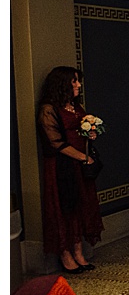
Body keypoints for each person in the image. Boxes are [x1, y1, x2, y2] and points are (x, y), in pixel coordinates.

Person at [37, 66, 102, 275]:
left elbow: (81, 127)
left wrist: (91, 133)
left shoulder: (75, 105)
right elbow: (55, 142)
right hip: (61, 166)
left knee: (81, 206)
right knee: (64, 207)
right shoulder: (49, 109)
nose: (78, 85)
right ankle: (65, 254)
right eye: (74, 81)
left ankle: (78, 250)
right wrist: (83, 157)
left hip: (80, 165)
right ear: (63, 84)